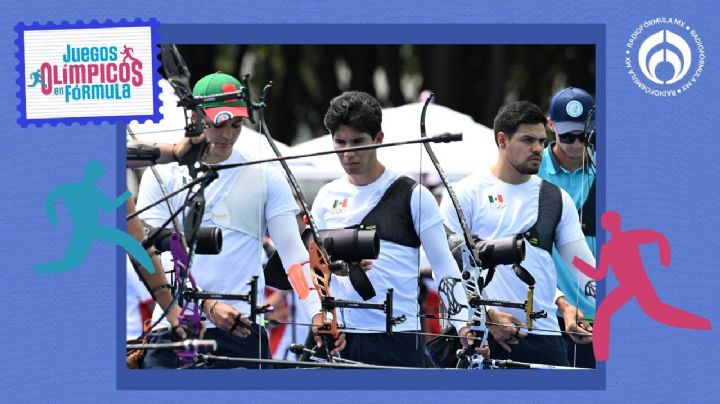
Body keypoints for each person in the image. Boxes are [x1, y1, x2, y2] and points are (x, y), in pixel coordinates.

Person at [135, 72, 337, 368]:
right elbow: (151, 254)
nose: (227, 134)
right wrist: (206, 304)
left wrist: (318, 313)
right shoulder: (162, 173)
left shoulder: (265, 175)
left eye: (236, 124)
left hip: (242, 330)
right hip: (173, 327)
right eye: (217, 123)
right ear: (194, 115)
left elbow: (294, 255)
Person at [311, 91, 473, 367]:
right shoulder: (327, 196)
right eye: (340, 142)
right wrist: (323, 305)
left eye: (358, 142)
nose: (348, 153)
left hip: (397, 337)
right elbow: (312, 266)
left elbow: (444, 265)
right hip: (341, 337)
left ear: (379, 138)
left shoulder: (412, 194)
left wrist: (463, 324)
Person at [439, 100, 594, 367]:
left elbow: (587, 272)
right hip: (485, 339)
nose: (537, 149)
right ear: (502, 140)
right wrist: (485, 316)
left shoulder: (556, 197)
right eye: (527, 140)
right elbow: (444, 270)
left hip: (546, 338)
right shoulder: (464, 194)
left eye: (541, 142)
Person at [538, 87, 597, 367]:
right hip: (550, 313)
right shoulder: (532, 171)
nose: (576, 145)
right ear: (551, 127)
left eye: (584, 136)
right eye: (567, 137)